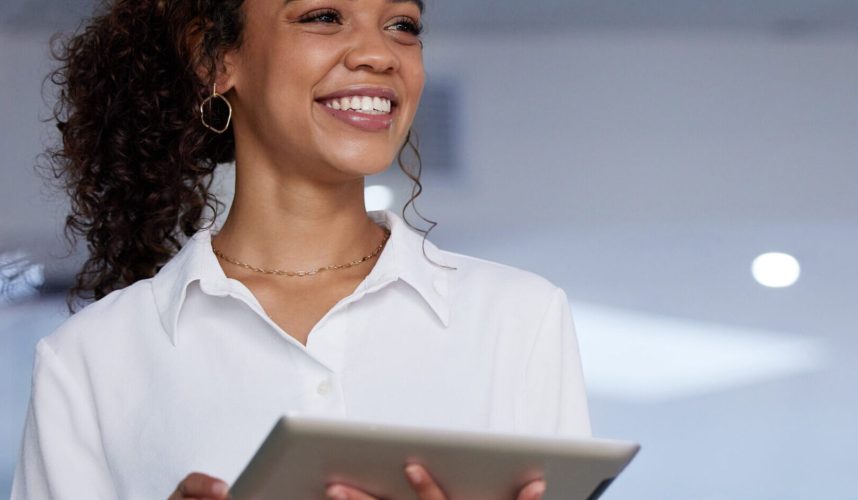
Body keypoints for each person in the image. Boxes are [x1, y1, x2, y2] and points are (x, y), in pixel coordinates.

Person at [11, 0, 591, 498]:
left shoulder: (519, 320)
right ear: (215, 59)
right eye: (324, 16)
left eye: (403, 26)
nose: (380, 54)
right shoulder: (88, 362)